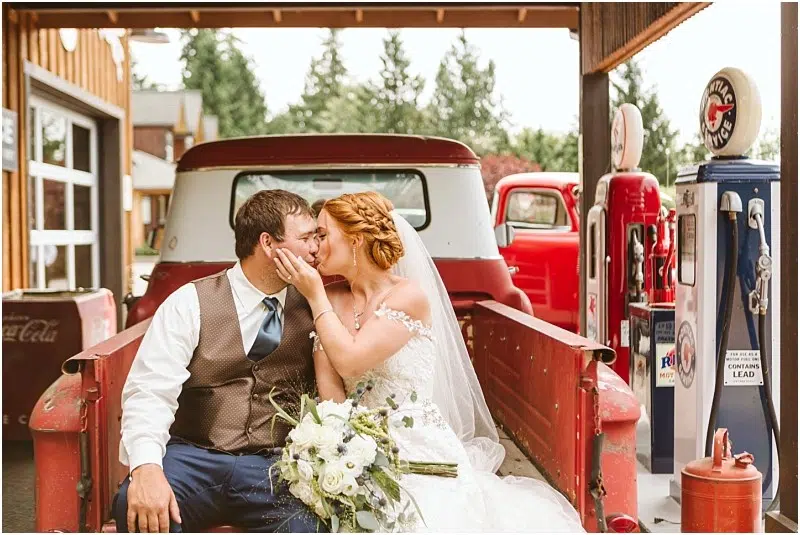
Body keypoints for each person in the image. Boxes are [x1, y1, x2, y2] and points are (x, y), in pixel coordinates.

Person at [272, 191, 586, 532]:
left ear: (356, 239)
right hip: (356, 450)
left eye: (322, 234)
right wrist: (337, 450)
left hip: (420, 450)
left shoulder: (407, 297)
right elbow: (332, 391)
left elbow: (351, 364)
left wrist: (314, 295)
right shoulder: (329, 297)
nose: (315, 246)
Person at [114, 190, 327, 533]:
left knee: (309, 527)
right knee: (135, 507)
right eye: (305, 238)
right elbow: (150, 390)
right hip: (193, 457)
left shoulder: (318, 304)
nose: (316, 247)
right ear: (268, 244)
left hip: (275, 466)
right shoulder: (189, 303)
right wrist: (147, 468)